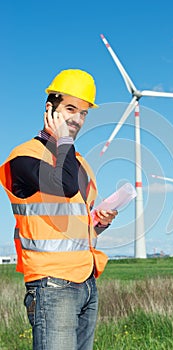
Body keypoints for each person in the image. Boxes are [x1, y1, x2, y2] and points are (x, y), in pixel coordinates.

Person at [0, 69, 118, 350]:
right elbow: (62, 187)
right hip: (52, 285)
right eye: (70, 108)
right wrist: (62, 139)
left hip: (86, 282)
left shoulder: (77, 161)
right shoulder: (25, 157)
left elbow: (75, 222)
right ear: (49, 109)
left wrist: (100, 222)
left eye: (84, 112)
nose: (77, 119)